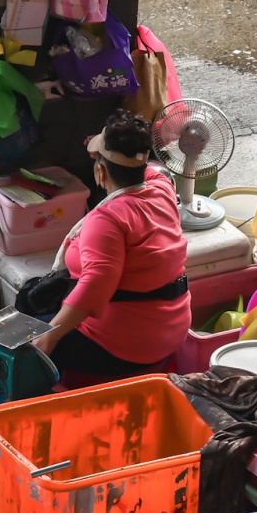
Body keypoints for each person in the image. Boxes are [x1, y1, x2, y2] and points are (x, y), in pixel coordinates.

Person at [31, 109, 190, 378]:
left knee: (3, 343)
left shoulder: (106, 219)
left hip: (121, 344)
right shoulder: (162, 189)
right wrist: (113, 148)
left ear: (100, 171)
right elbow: (145, 169)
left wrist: (48, 339)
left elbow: (96, 282)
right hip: (171, 331)